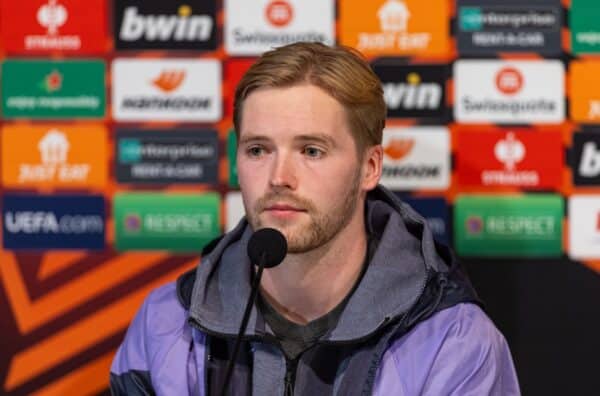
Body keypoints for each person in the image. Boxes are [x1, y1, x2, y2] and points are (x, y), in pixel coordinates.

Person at [110, 42, 520, 395]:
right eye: (258, 150)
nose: (278, 178)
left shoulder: (454, 341)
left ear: (370, 167)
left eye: (311, 151)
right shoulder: (166, 325)